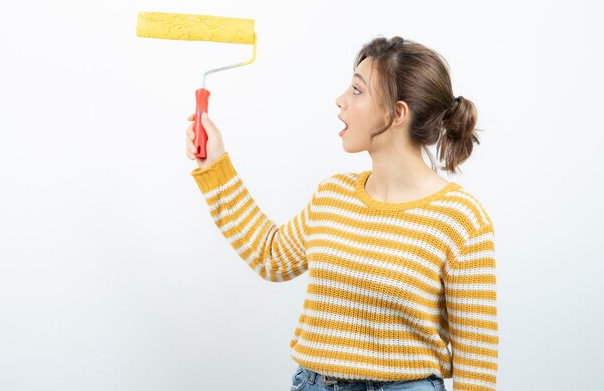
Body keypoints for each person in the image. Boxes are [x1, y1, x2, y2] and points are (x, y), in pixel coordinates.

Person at [186, 36, 497, 391]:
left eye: (357, 90)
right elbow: (271, 256)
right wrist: (216, 167)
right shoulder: (333, 194)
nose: (340, 100)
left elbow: (477, 364)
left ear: (396, 114)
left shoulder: (462, 219)